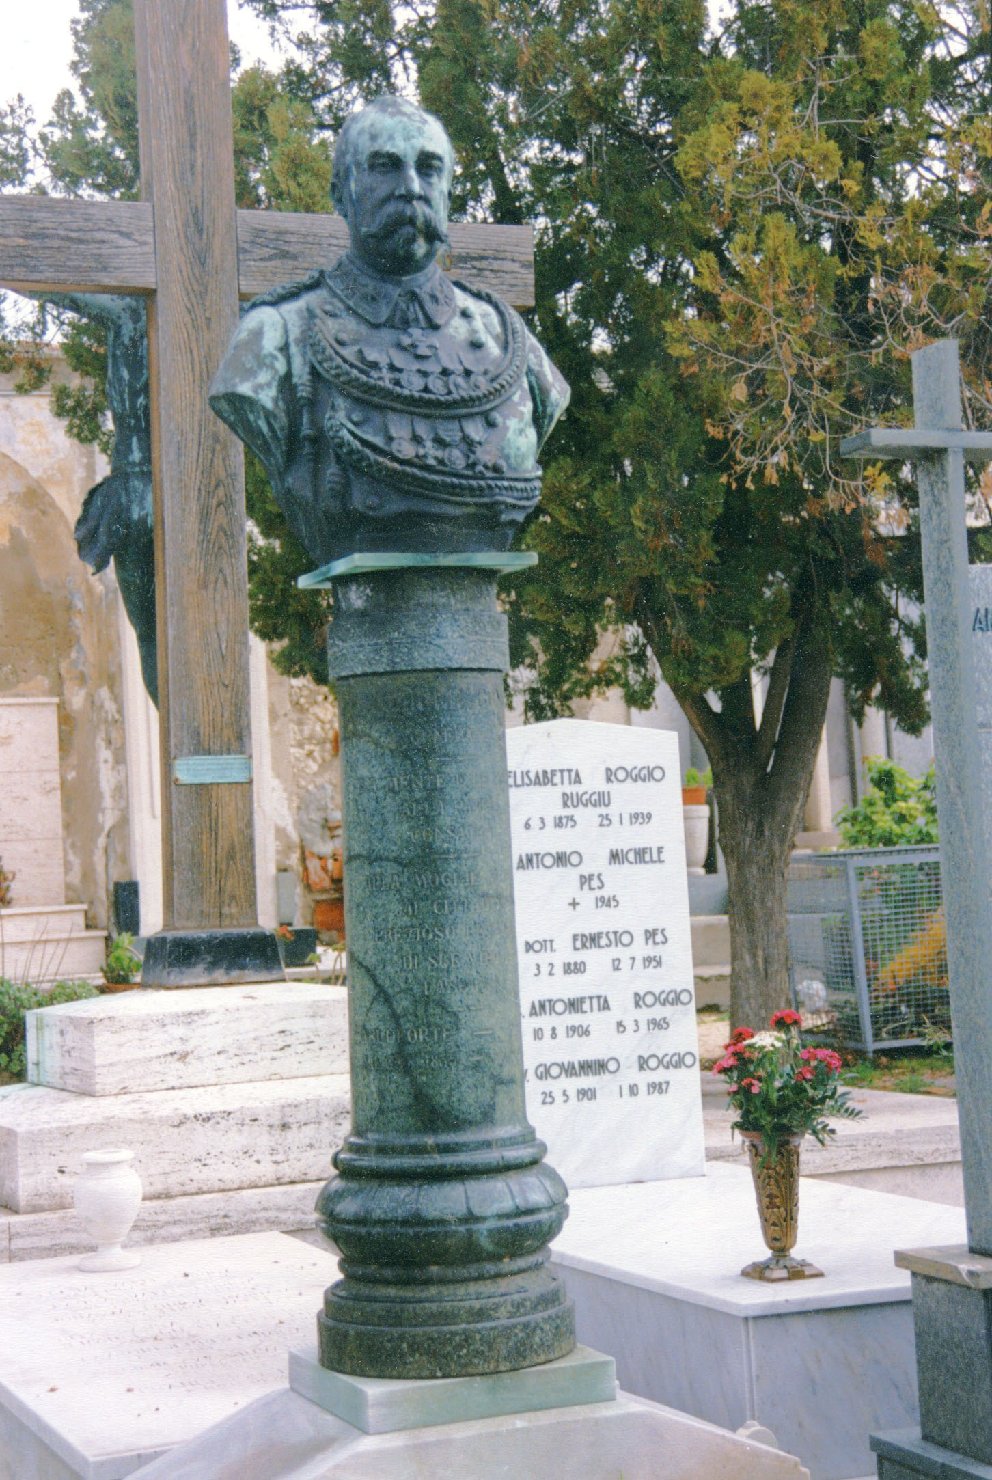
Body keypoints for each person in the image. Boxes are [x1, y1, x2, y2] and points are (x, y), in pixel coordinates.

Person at [209, 95, 569, 564]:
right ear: (342, 193)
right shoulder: (276, 334)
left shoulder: (508, 340)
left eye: (429, 168)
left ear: (448, 192)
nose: (411, 186)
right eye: (385, 167)